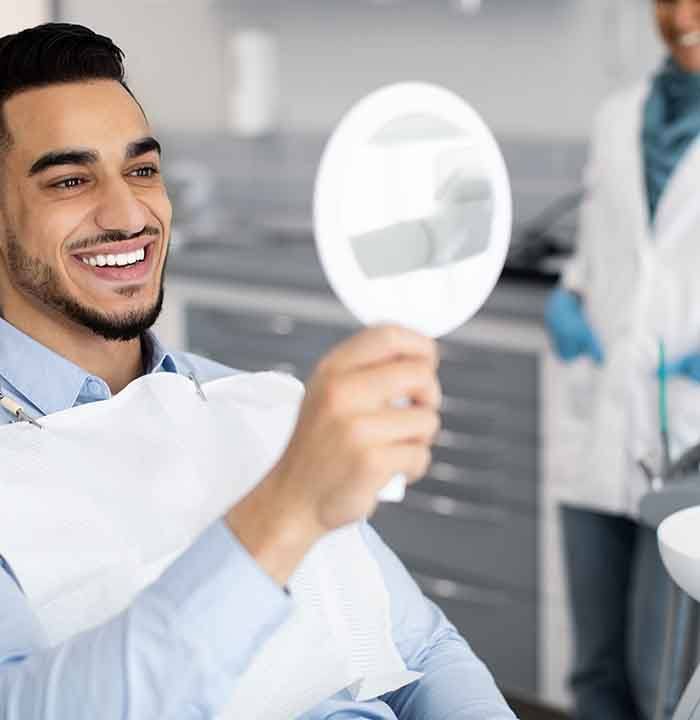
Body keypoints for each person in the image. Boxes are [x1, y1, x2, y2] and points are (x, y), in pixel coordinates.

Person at [0, 22, 517, 719]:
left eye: (142, 170)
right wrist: (287, 508)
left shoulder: (258, 404)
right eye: (69, 179)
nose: (129, 215)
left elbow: (423, 655)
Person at [544, 1, 700, 718]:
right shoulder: (617, 116)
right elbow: (599, 256)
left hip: (691, 438)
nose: (679, 15)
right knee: (594, 672)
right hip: (602, 413)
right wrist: (569, 299)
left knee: (661, 677)